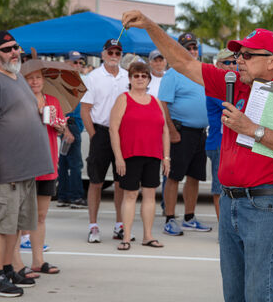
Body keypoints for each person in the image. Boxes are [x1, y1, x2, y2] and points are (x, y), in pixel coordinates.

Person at [122, 11, 273, 302]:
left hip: (265, 204)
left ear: (272, 60)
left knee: (258, 293)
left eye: (248, 55)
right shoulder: (233, 81)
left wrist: (252, 129)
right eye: (239, 54)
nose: (240, 60)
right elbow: (183, 62)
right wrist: (151, 25)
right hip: (229, 202)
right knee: (234, 293)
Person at [0, 30, 53, 297]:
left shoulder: (17, 77)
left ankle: (7, 268)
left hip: (25, 169)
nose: (14, 52)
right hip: (3, 169)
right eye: (7, 49)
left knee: (15, 224)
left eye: (15, 47)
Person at [109, 62, 170, 250]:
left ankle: (148, 236)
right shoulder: (123, 99)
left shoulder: (155, 101)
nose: (140, 79)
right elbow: (113, 128)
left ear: (149, 79)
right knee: (130, 195)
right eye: (136, 76)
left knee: (150, 195)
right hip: (130, 154)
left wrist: (166, 157)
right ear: (130, 79)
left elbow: (165, 130)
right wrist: (119, 157)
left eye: (144, 75)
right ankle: (126, 237)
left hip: (152, 154)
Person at [15, 68, 68, 274]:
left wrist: (58, 125)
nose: (35, 81)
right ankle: (16, 262)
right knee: (20, 216)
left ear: (44, 80)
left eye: (38, 77)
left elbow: (62, 128)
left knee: (41, 215)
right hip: (25, 164)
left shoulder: (53, 101)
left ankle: (38, 260)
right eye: (30, 78)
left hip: (47, 163)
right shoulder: (19, 100)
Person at [158, 32, 211, 236]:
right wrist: (171, 131)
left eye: (194, 47)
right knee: (173, 177)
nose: (192, 51)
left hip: (199, 133)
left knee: (195, 177)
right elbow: (163, 104)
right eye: (187, 48)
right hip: (180, 132)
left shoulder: (201, 71)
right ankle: (170, 219)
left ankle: (189, 217)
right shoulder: (173, 73)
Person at [81, 39, 129, 243]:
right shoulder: (93, 77)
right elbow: (85, 110)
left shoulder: (128, 77)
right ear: (103, 54)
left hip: (123, 133)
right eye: (110, 52)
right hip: (101, 132)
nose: (114, 56)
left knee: (121, 182)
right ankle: (93, 225)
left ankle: (120, 225)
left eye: (117, 53)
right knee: (96, 182)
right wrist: (94, 136)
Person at [206, 49, 237, 220]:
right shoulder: (215, 86)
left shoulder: (234, 85)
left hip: (232, 144)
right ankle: (223, 229)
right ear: (218, 64)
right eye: (227, 62)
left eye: (234, 62)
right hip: (219, 143)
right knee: (220, 189)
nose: (232, 66)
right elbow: (234, 107)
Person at [56, 51, 87, 209]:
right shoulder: (65, 82)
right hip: (70, 124)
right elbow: (61, 108)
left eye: (80, 63)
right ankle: (75, 196)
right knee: (75, 164)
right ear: (66, 63)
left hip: (72, 125)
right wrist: (66, 130)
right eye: (75, 62)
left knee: (65, 162)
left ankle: (63, 196)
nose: (78, 65)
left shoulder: (74, 81)